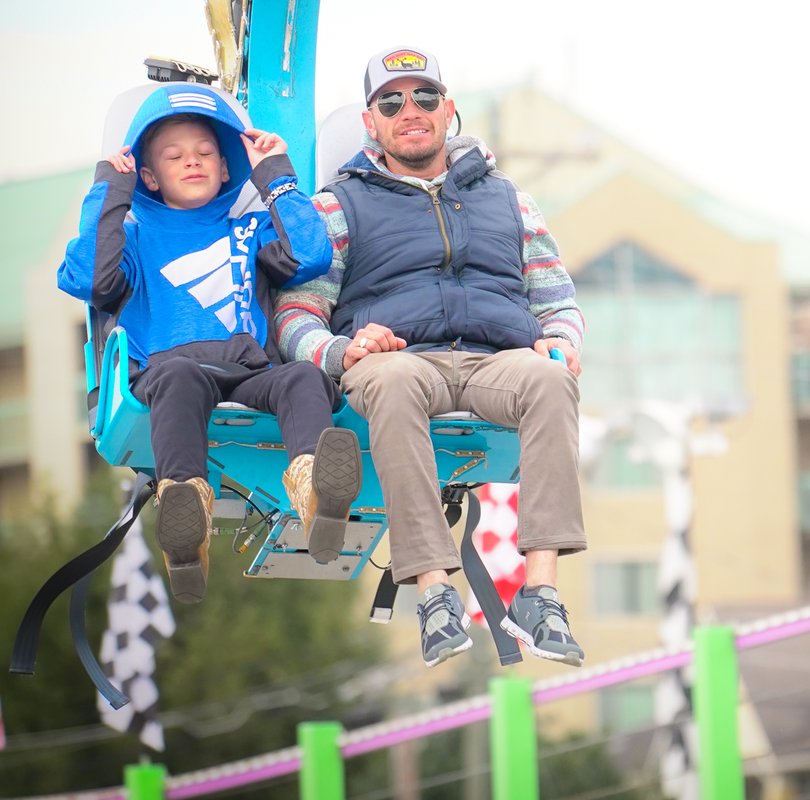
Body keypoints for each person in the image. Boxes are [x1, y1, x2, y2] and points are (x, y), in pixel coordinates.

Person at [274, 46, 587, 667]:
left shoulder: (508, 200)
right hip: (399, 359)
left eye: (422, 97)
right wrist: (342, 350)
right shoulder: (338, 206)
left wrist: (561, 339)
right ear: (370, 122)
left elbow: (557, 296)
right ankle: (434, 592)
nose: (408, 110)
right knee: (388, 381)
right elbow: (294, 314)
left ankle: (541, 592)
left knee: (551, 381)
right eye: (390, 101)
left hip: (495, 358)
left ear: (448, 111)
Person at [58, 84, 362, 603]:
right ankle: (185, 512)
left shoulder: (250, 228)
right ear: (149, 175)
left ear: (225, 168)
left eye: (205, 154)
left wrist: (275, 175)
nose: (192, 163)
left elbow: (311, 255)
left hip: (250, 368)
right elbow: (88, 279)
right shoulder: (131, 238)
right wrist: (110, 191)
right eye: (175, 157)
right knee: (177, 380)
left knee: (303, 378)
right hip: (169, 369)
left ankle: (316, 492)